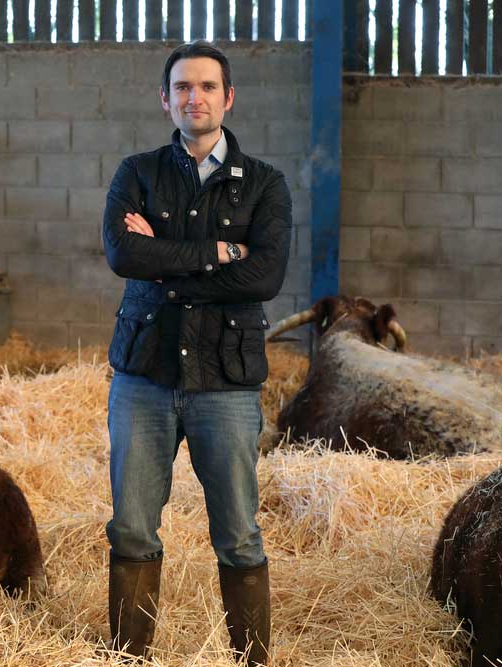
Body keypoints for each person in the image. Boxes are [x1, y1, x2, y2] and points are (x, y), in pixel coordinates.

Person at [101, 40, 292, 666]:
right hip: (145, 375)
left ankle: (251, 660)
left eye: (207, 87)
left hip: (226, 381)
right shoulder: (137, 172)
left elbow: (265, 277)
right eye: (182, 87)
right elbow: (126, 257)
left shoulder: (265, 184)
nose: (195, 97)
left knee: (238, 531)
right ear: (165, 100)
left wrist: (171, 260)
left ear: (228, 98)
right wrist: (220, 251)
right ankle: (130, 656)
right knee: (131, 525)